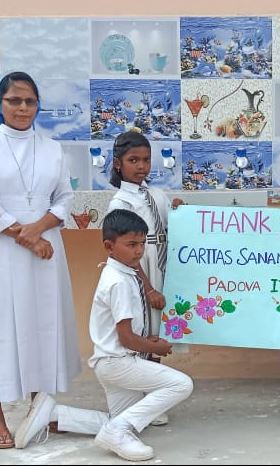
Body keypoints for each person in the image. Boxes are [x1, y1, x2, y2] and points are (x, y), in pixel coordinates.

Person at [0, 71, 81, 449]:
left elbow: (64, 198)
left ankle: (40, 407)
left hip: (45, 248)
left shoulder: (52, 149)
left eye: (30, 101)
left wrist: (38, 229)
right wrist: (23, 236)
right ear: (1, 104)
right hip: (1, 250)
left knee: (42, 323)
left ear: (37, 105)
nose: (23, 108)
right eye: (14, 100)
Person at [12, 209, 193, 461]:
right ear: (109, 246)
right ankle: (117, 432)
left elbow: (127, 333)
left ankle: (55, 415)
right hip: (118, 363)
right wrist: (156, 348)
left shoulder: (123, 273)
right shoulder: (119, 282)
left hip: (110, 362)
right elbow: (126, 339)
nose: (139, 251)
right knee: (181, 384)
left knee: (120, 419)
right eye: (131, 244)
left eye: (142, 244)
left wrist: (145, 341)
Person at [106, 131, 186, 425]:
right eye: (133, 160)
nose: (141, 166)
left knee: (157, 329)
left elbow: (168, 226)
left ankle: (153, 396)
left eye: (146, 160)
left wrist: (179, 212)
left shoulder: (156, 195)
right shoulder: (121, 202)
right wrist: (147, 286)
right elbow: (126, 250)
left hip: (161, 266)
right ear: (118, 164)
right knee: (143, 330)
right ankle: (142, 398)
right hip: (141, 269)